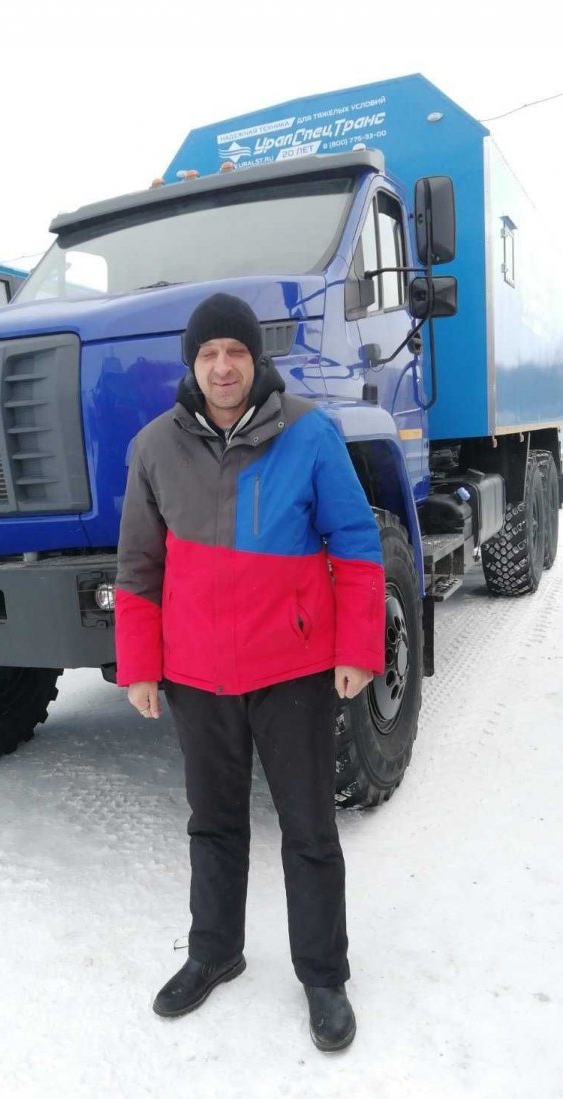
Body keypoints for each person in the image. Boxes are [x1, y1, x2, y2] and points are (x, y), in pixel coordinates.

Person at [114, 293, 385, 1052]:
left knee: (308, 826)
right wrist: (141, 667)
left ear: (255, 359)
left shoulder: (309, 432)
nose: (223, 366)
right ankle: (214, 952)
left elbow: (356, 542)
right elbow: (137, 568)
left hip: (291, 667)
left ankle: (323, 976)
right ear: (193, 366)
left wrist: (357, 648)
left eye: (235, 351)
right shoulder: (154, 447)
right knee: (213, 822)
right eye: (209, 354)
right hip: (196, 674)